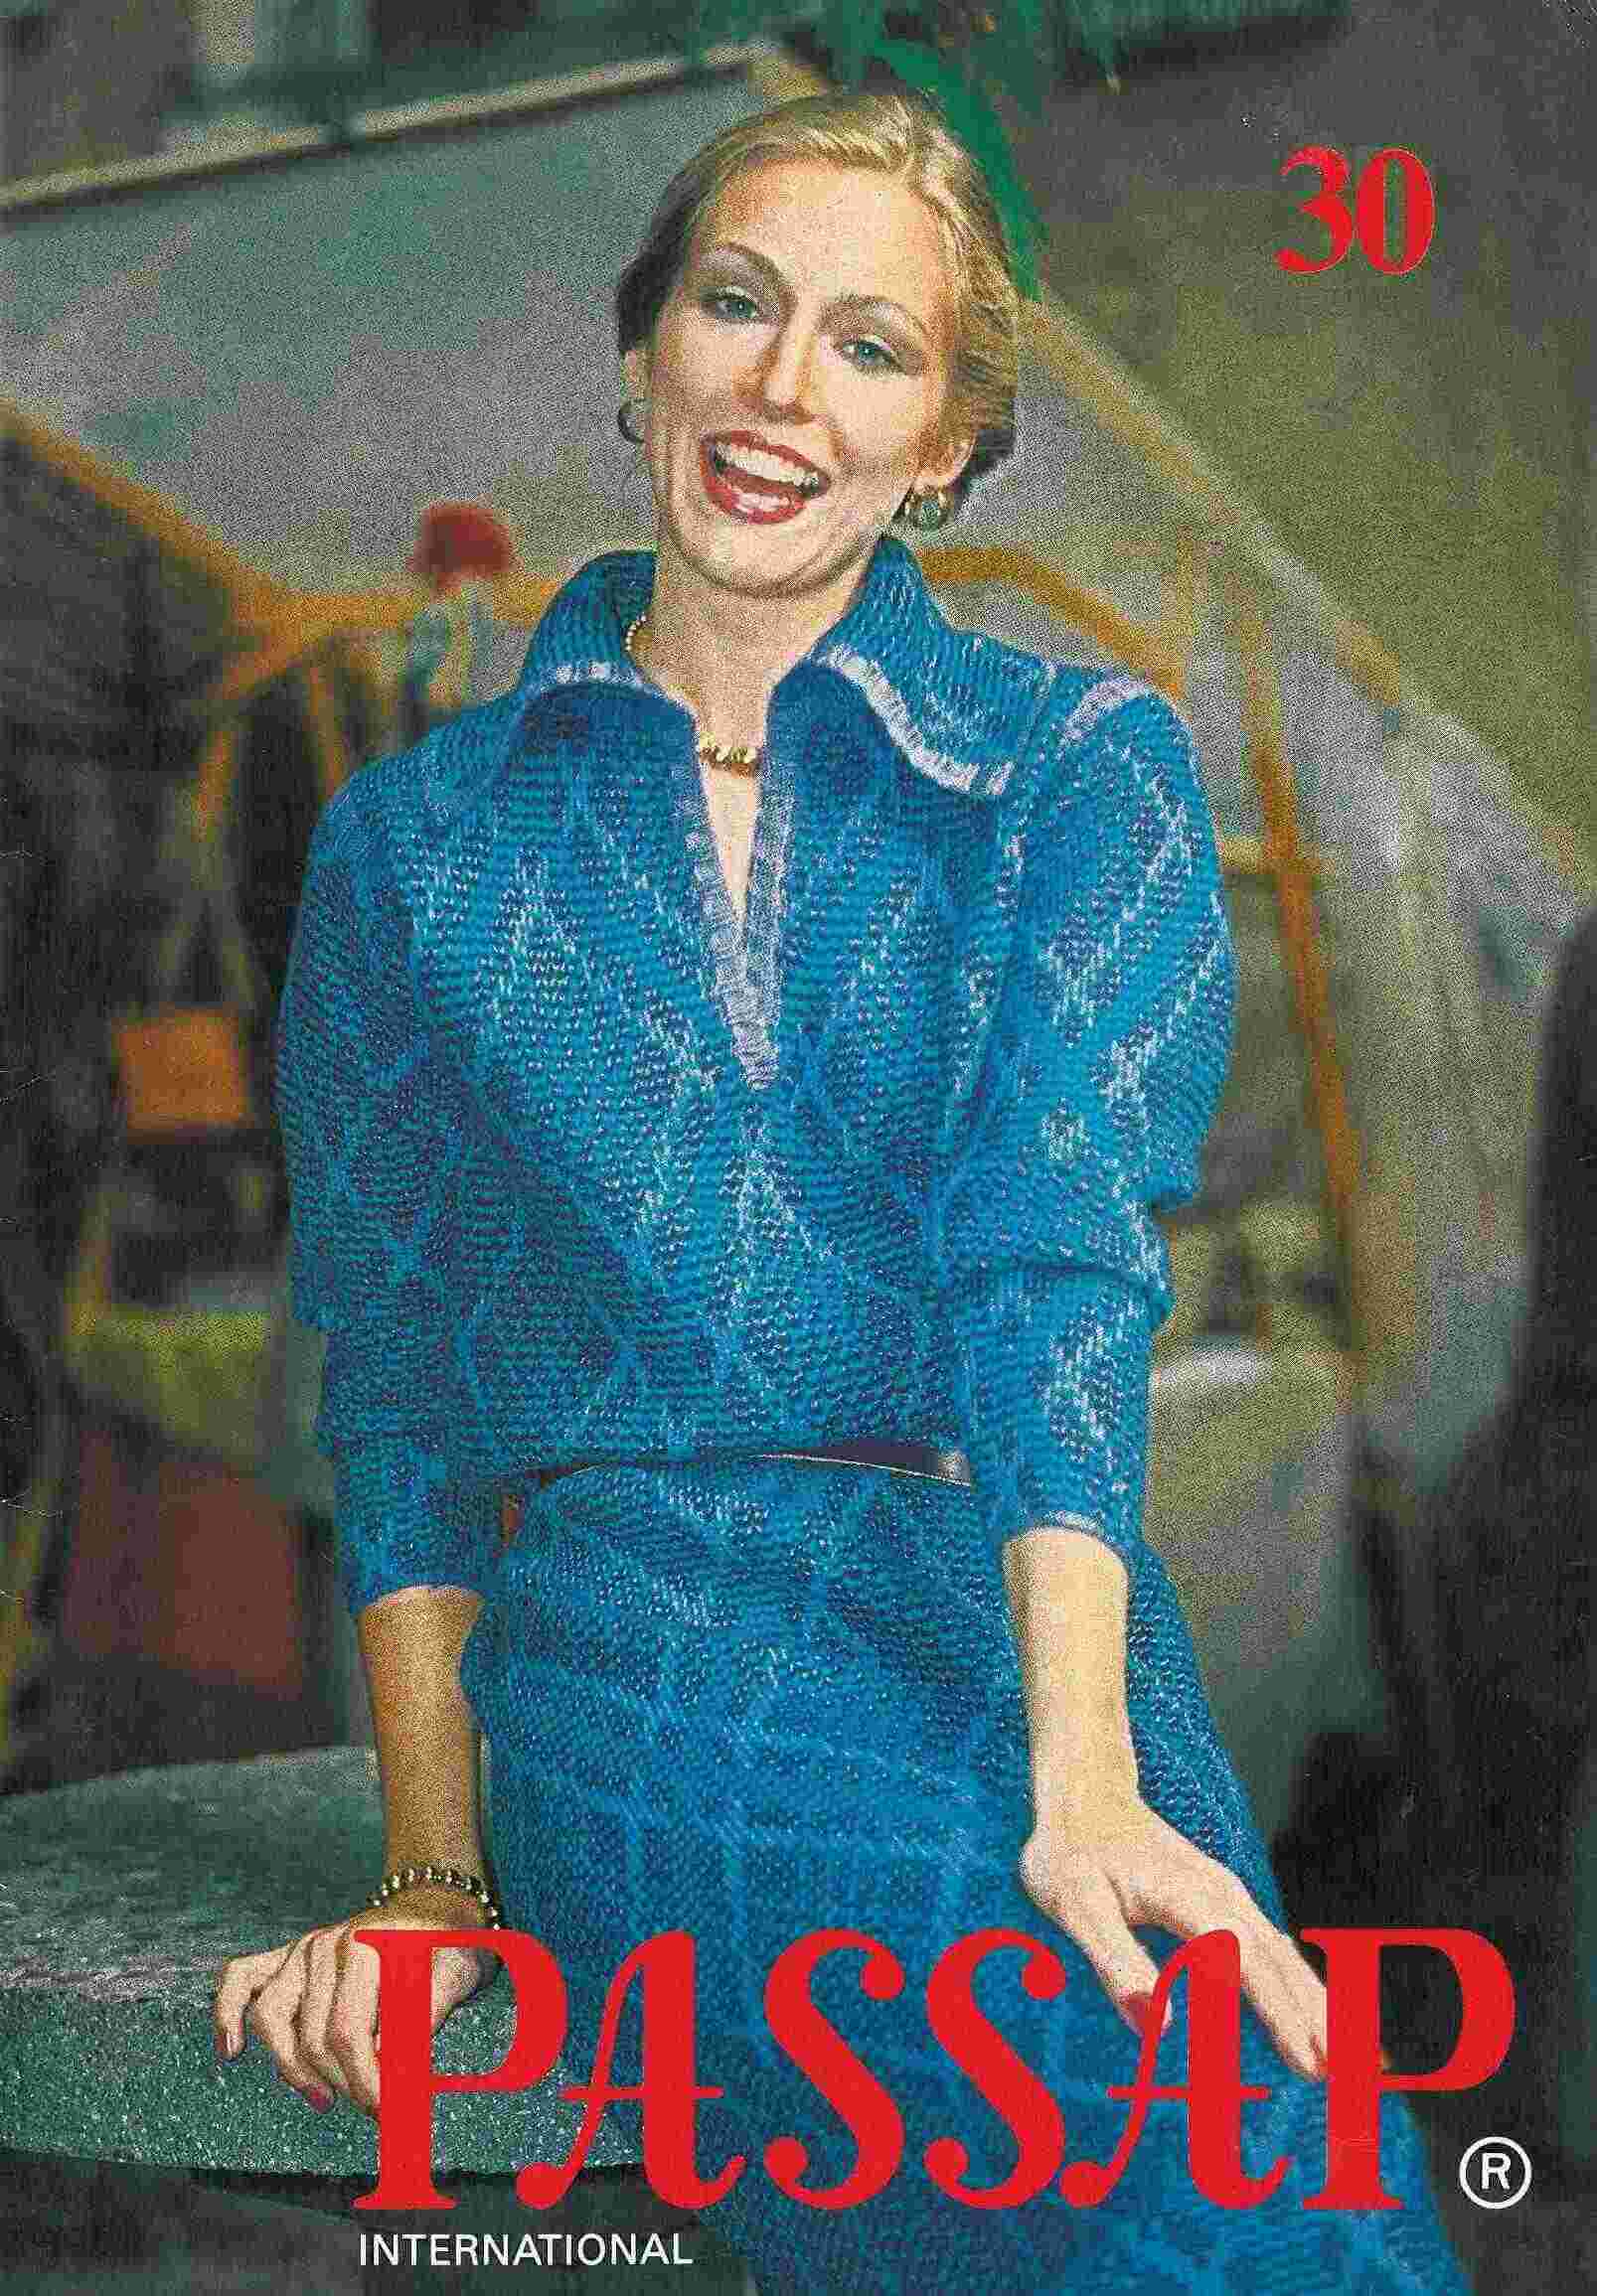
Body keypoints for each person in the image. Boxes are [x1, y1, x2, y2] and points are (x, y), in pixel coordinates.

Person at [214, 84, 1464, 2293]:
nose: (787, 385)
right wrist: (431, 1882)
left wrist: (1090, 1781)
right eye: (738, 304)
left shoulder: (1080, 771)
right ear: (644, 358)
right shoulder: (415, 846)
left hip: (1023, 1637)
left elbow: (1052, 1269)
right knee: (1111, 2129)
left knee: (1277, 2145)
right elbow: (401, 1392)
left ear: (949, 448)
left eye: (872, 348)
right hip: (647, 1654)